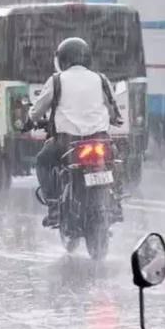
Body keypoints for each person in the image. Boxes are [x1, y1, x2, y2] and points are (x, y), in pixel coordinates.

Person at [27, 37, 123, 228]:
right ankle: (116, 200)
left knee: (42, 161)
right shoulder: (101, 79)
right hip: (100, 139)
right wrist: (112, 119)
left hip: (67, 142)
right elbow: (114, 112)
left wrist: (30, 120)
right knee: (115, 160)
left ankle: (54, 207)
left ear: (61, 59)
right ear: (87, 58)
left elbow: (37, 111)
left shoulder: (56, 81)